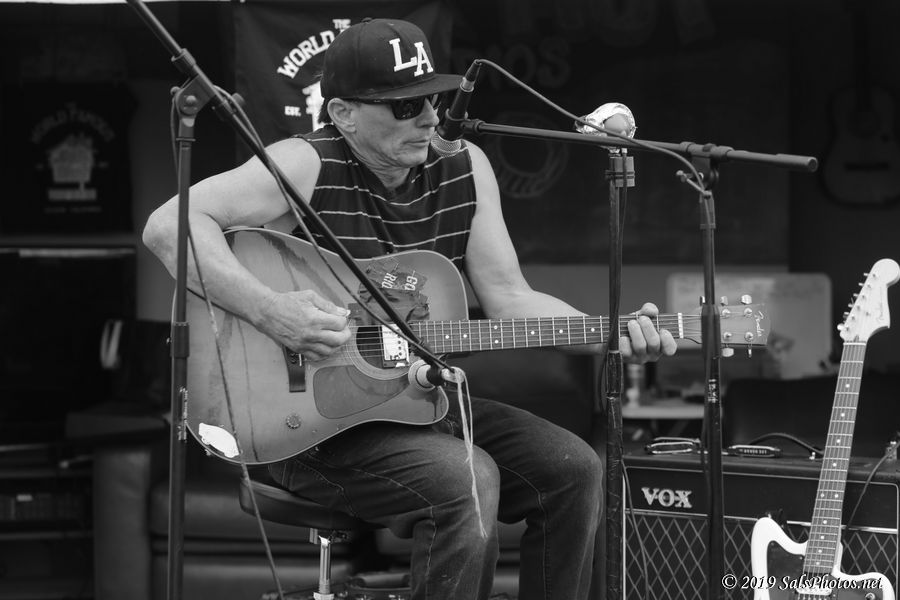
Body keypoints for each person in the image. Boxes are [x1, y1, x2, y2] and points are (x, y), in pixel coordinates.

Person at [142, 17, 677, 600]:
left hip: (416, 407)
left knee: (575, 469)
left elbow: (510, 297)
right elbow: (168, 226)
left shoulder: (466, 165)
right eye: (404, 106)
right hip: (303, 428)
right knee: (467, 477)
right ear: (344, 113)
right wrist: (271, 311)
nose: (428, 118)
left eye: (433, 100)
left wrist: (610, 332)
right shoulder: (306, 162)